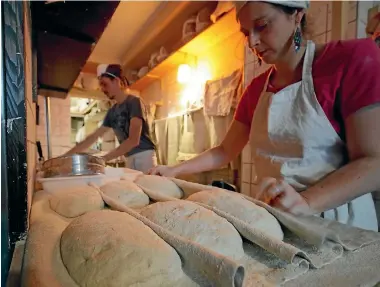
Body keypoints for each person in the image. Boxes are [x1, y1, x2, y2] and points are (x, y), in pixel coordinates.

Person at [149, 1, 380, 231]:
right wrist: (175, 170)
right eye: (245, 32)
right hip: (277, 220)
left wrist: (307, 201)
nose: (252, 41)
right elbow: (224, 151)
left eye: (262, 25)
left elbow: (373, 162)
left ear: (297, 15)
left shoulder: (350, 59)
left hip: (339, 223)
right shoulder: (256, 90)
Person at [65, 64, 157, 173]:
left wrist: (104, 158)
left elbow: (134, 140)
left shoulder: (133, 102)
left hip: (144, 156)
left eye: (105, 84)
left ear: (116, 81)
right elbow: (94, 136)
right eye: (101, 86)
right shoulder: (112, 112)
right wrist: (66, 157)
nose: (102, 89)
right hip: (128, 157)